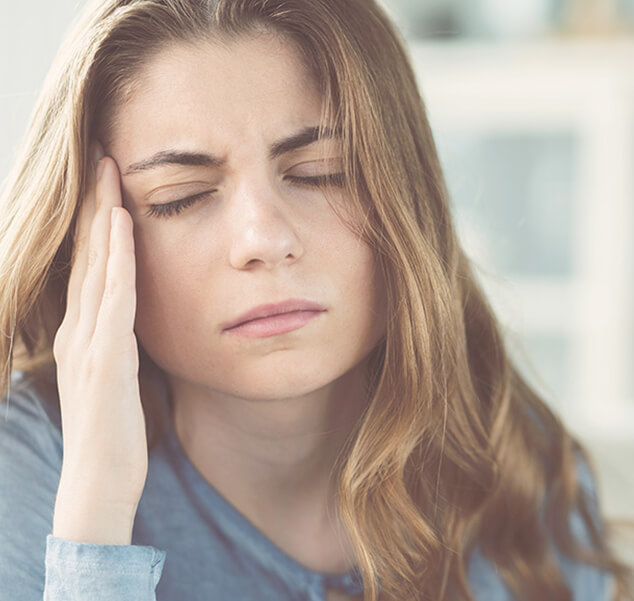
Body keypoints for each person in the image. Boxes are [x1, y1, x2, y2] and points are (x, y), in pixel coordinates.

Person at [0, 0, 631, 600]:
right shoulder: (28, 468)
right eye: (181, 195)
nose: (265, 240)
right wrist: (97, 517)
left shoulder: (515, 459)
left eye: (321, 172)